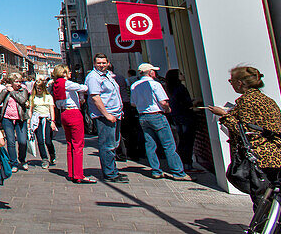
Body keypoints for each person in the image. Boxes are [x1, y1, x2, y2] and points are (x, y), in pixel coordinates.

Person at [207, 65, 281, 208]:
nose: (231, 83)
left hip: (261, 156)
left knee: (262, 200)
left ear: (240, 82)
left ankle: (267, 228)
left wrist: (224, 116)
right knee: (275, 197)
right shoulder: (267, 100)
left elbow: (245, 130)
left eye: (231, 80)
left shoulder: (247, 101)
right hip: (278, 155)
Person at [130, 63, 188, 180]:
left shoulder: (134, 85)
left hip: (143, 116)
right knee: (168, 144)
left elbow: (133, 103)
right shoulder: (155, 84)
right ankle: (178, 172)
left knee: (150, 144)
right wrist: (167, 109)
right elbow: (163, 102)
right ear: (151, 72)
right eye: (153, 71)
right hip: (156, 115)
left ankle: (156, 170)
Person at [86, 53, 126, 183]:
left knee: (114, 144)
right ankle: (110, 173)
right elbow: (95, 97)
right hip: (105, 116)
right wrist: (106, 114)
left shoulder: (108, 75)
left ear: (108, 63)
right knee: (107, 145)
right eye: (99, 63)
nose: (101, 65)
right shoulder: (93, 77)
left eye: (103, 63)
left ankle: (113, 170)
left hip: (115, 114)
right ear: (94, 64)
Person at [53, 64, 96, 183]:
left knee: (70, 144)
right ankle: (79, 175)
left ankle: (72, 172)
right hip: (73, 113)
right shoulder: (66, 83)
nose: (70, 73)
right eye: (68, 72)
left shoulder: (56, 83)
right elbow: (83, 88)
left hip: (64, 113)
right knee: (78, 144)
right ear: (64, 73)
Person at [0, 74, 29, 171]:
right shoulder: (5, 91)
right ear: (11, 82)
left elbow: (22, 100)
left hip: (20, 119)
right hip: (7, 118)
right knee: (10, 141)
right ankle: (13, 162)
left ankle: (22, 159)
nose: (18, 84)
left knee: (22, 141)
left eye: (19, 81)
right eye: (16, 82)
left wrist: (12, 92)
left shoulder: (23, 90)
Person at [164, 69, 198, 172]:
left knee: (182, 140)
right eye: (181, 74)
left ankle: (183, 163)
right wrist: (196, 101)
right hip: (185, 116)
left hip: (176, 116)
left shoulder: (169, 89)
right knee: (187, 140)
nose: (183, 75)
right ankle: (188, 164)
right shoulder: (180, 88)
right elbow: (186, 103)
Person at [28, 78, 57, 168]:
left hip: (47, 119)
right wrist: (29, 120)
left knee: (48, 140)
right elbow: (31, 110)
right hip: (37, 119)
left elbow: (52, 109)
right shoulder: (33, 97)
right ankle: (44, 159)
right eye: (37, 88)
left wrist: (53, 121)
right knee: (40, 140)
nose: (38, 90)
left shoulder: (48, 97)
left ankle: (52, 153)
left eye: (40, 88)